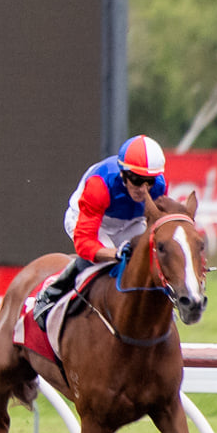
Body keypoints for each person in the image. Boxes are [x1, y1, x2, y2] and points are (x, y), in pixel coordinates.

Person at [31, 134, 170, 318]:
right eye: (136, 180)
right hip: (91, 221)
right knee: (107, 264)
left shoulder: (160, 187)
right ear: (123, 174)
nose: (143, 189)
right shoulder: (100, 185)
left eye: (149, 182)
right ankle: (53, 291)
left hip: (131, 222)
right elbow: (84, 243)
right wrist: (114, 254)